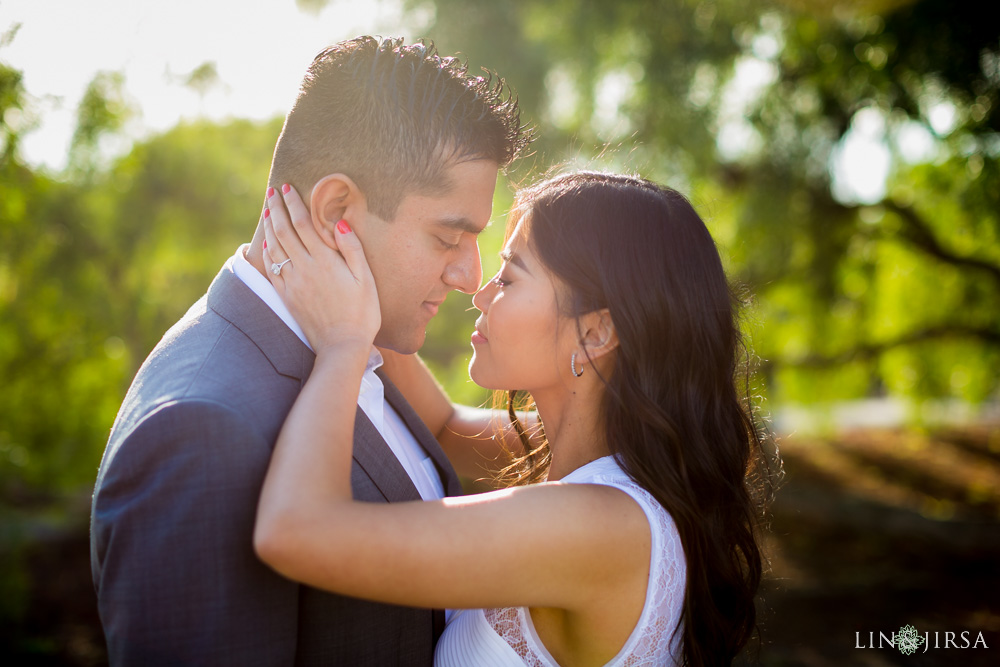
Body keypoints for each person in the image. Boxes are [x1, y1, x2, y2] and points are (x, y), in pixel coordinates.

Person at [89, 36, 529, 665]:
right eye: (446, 237)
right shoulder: (200, 431)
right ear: (337, 210)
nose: (468, 275)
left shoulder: (357, 338)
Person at [255, 171, 779, 666]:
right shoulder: (620, 458)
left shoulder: (595, 527)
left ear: (596, 333)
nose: (478, 294)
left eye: (508, 278)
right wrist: (367, 271)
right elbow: (439, 426)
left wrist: (342, 345)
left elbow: (294, 533)